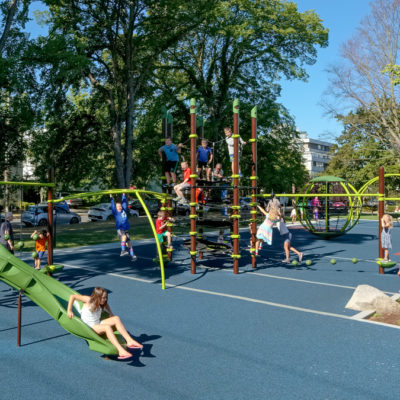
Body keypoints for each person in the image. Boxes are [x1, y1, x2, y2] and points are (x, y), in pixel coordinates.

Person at [67, 287, 142, 360]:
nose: (105, 299)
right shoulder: (89, 300)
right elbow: (72, 296)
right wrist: (69, 310)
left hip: (97, 323)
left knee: (116, 318)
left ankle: (129, 341)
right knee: (106, 327)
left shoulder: (102, 302)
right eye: (103, 298)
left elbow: (106, 304)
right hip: (89, 328)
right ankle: (120, 350)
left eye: (106, 297)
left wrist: (111, 313)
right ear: (97, 297)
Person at [110, 193, 137, 261]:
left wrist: (123, 195)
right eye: (118, 206)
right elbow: (113, 205)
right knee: (124, 237)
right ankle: (123, 251)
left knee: (129, 244)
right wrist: (111, 197)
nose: (120, 207)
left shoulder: (123, 210)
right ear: (116, 208)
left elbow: (124, 203)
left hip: (126, 229)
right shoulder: (115, 212)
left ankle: (132, 255)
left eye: (120, 206)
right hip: (120, 229)